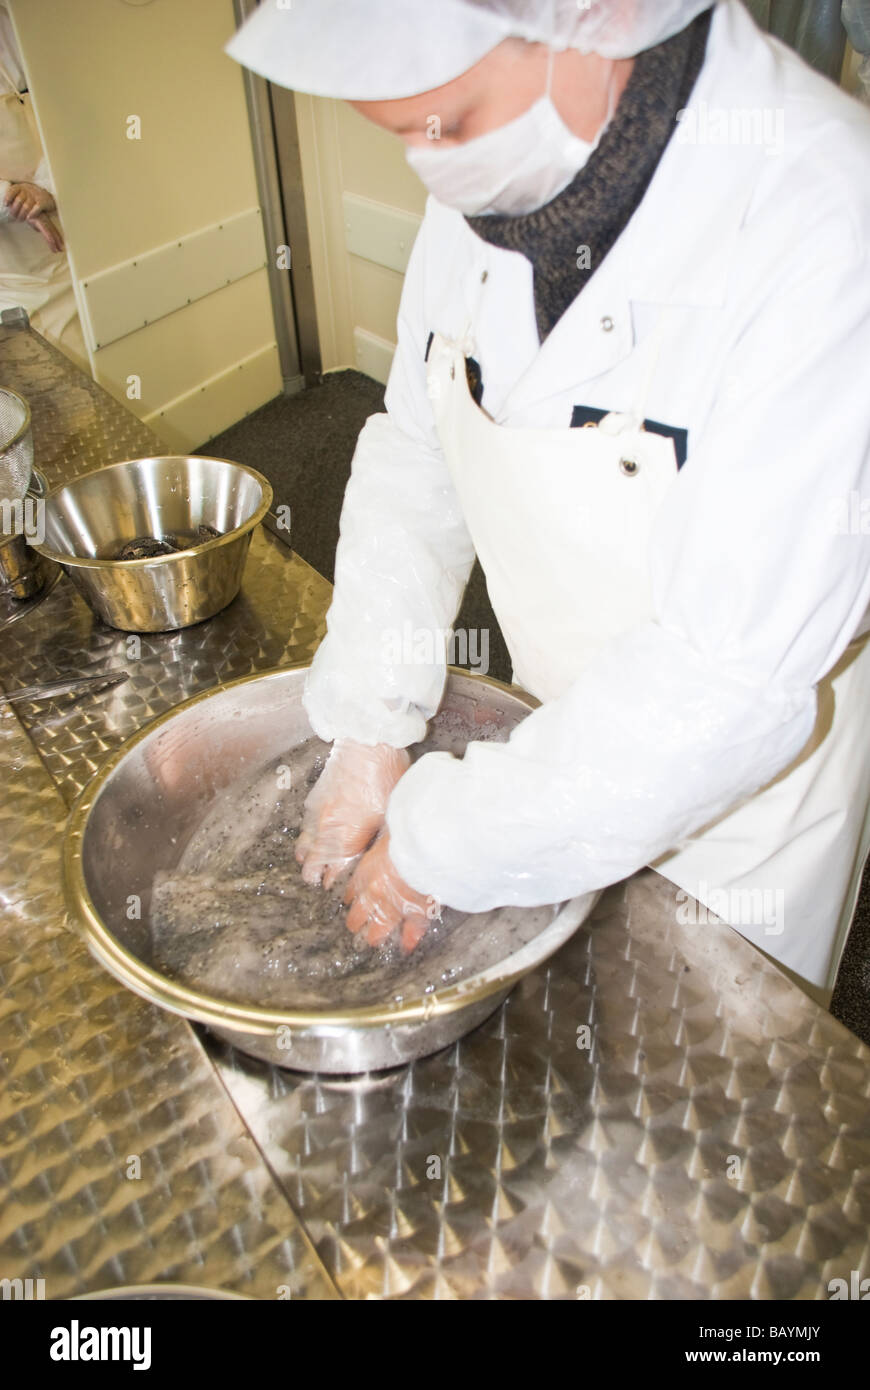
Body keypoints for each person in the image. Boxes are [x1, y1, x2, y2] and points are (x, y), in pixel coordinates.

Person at [227, 0, 870, 1003]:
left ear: (599, 15)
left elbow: (723, 679)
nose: (433, 171)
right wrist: (369, 718)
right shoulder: (503, 175)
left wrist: (439, 842)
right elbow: (420, 443)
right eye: (402, 136)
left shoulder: (827, 216)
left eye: (448, 120)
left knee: (690, 1092)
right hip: (553, 734)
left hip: (740, 808)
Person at [0, 4, 88, 373]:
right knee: (43, 380)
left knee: (103, 361)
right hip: (12, 271)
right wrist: (12, 200)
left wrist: (47, 189)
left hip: (75, 234)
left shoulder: (27, 18)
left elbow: (80, 115)